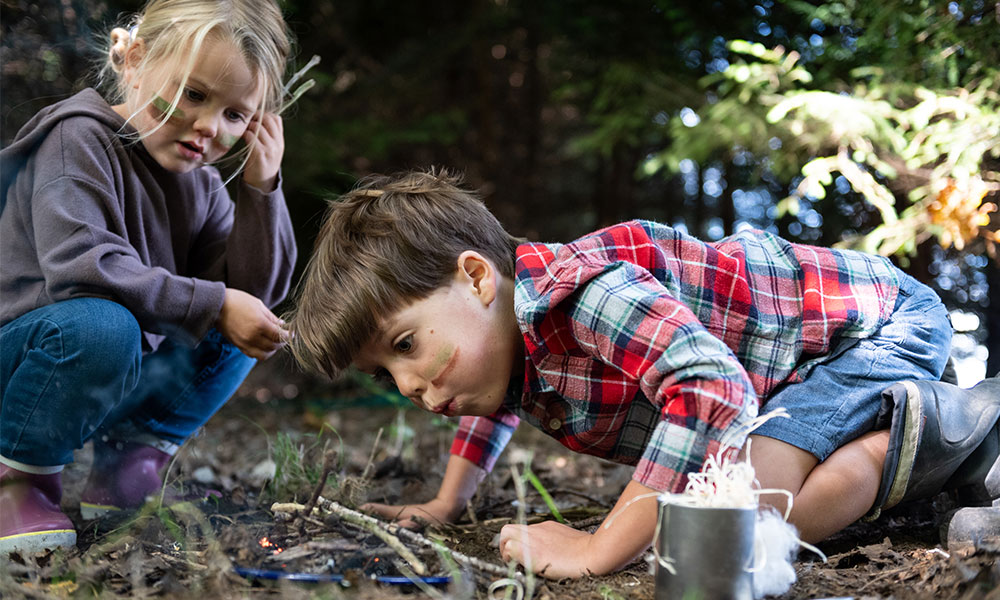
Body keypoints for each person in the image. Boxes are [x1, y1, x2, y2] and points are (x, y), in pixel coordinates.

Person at [286, 169, 1000, 579]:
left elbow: (708, 388)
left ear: (475, 278)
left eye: (404, 344)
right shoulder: (501, 344)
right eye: (385, 371)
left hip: (869, 326)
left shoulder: (586, 295)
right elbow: (486, 405)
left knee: (743, 515)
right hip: (783, 380)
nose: (410, 386)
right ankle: (930, 465)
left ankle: (965, 430)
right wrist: (448, 502)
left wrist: (600, 548)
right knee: (725, 502)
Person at [0, 0, 298, 555]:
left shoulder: (200, 183)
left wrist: (262, 187)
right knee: (105, 325)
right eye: (194, 94)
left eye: (236, 115)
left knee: (234, 323)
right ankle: (18, 482)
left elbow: (254, 293)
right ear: (135, 61)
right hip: (21, 370)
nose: (209, 127)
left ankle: (126, 466)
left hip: (101, 374)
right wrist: (215, 303)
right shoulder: (76, 139)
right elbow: (81, 267)